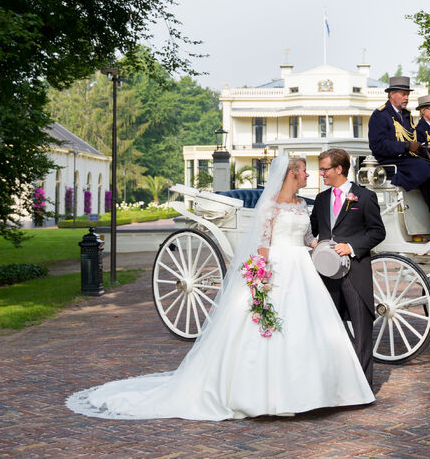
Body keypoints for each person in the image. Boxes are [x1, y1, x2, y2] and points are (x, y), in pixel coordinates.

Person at [65, 155, 374, 420]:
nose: (309, 175)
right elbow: (263, 246)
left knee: (313, 328)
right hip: (278, 269)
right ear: (293, 174)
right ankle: (266, 396)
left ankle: (318, 392)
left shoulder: (301, 205)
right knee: (270, 330)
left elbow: (306, 237)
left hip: (302, 268)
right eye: (305, 171)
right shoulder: (271, 208)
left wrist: (321, 245)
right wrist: (261, 276)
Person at [310, 148, 386, 386]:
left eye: (325, 169)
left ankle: (363, 387)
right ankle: (335, 384)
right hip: (326, 275)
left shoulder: (364, 197)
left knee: (362, 331)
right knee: (330, 329)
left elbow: (377, 232)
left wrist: (351, 246)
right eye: (321, 169)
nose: (321, 173)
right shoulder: (321, 200)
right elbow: (314, 230)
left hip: (355, 272)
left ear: (339, 169)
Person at [367, 75, 430, 227]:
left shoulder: (407, 116)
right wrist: (406, 146)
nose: (406, 97)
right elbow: (378, 146)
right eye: (403, 94)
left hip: (407, 159)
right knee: (422, 168)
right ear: (392, 94)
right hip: (390, 161)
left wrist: (427, 150)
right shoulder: (380, 115)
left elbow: (413, 142)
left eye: (408, 94)